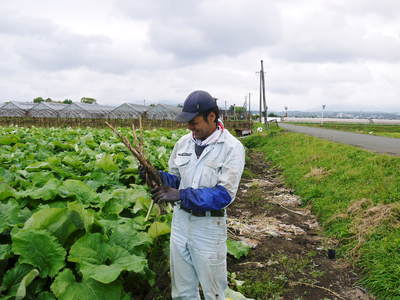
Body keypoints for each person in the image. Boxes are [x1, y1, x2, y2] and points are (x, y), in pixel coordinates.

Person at [151, 90, 245, 300]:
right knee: (182, 291)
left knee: (214, 292)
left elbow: (224, 195)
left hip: (208, 228)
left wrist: (182, 195)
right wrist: (157, 176)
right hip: (180, 222)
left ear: (212, 116)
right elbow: (177, 180)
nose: (190, 127)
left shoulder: (232, 148)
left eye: (194, 122)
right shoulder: (183, 143)